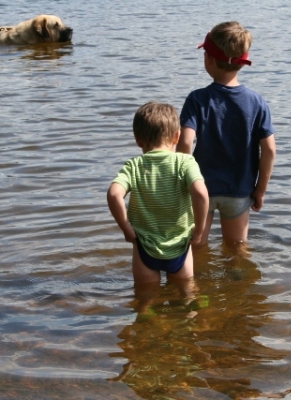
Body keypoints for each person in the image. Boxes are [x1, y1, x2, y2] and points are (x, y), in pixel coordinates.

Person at [177, 21, 276, 247]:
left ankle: (195, 282)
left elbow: (185, 142)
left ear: (209, 59)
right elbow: (269, 149)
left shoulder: (197, 99)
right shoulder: (257, 102)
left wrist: (183, 182)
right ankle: (240, 282)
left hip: (202, 188)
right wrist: (260, 190)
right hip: (239, 190)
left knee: (196, 244)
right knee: (237, 248)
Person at [107, 102, 209, 284]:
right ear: (177, 137)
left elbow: (114, 194)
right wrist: (199, 231)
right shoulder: (185, 162)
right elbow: (200, 194)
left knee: (145, 298)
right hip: (180, 245)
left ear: (137, 139)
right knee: (186, 296)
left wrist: (126, 229)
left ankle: (147, 311)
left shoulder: (134, 165)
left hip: (144, 246)